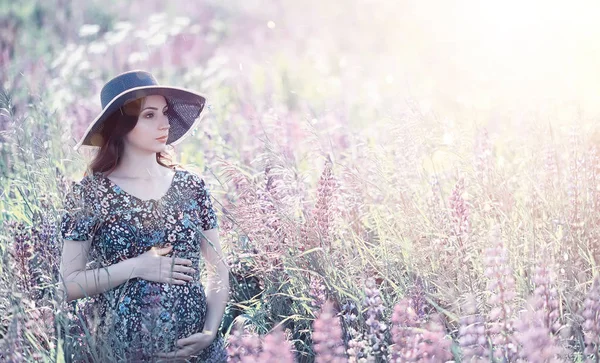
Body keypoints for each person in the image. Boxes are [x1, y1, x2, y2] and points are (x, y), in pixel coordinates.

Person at [57, 70, 230, 362]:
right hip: (127, 354)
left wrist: (210, 332)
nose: (164, 123)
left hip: (200, 353)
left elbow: (218, 269)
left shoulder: (191, 186)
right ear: (120, 124)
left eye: (164, 112)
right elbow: (68, 285)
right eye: (149, 115)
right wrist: (137, 266)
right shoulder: (90, 194)